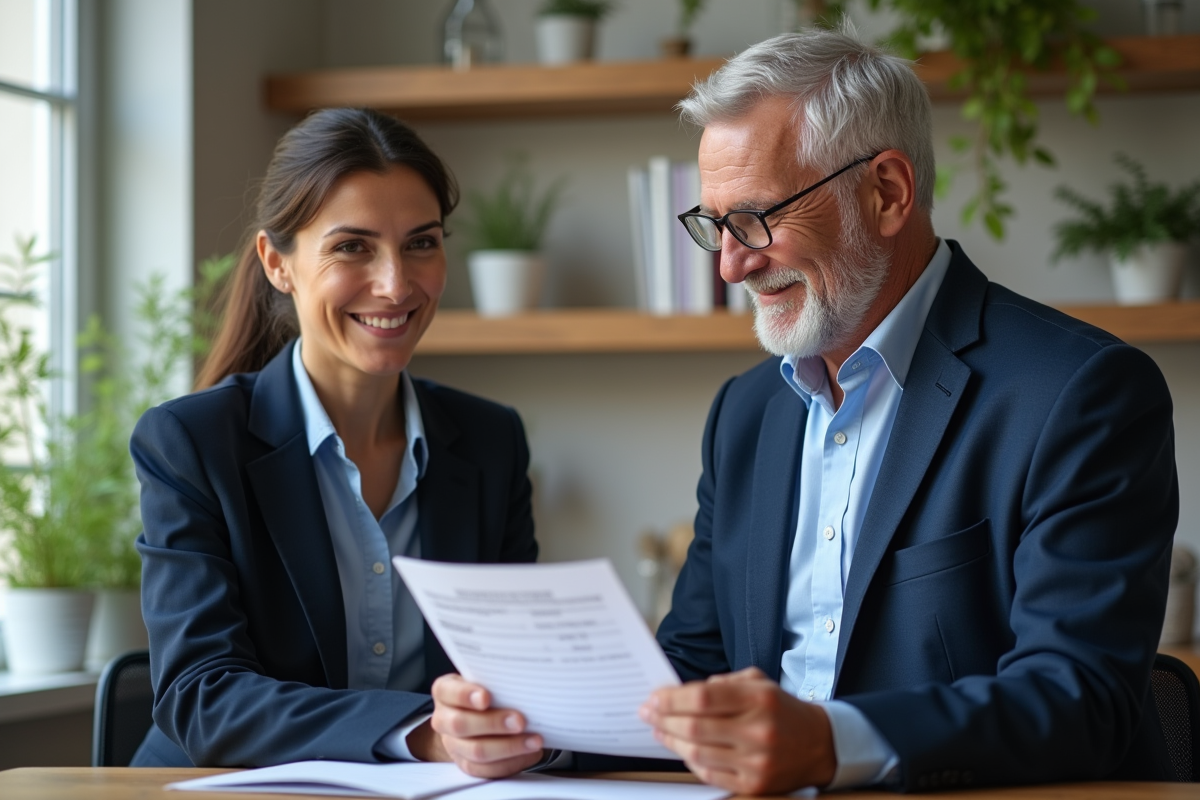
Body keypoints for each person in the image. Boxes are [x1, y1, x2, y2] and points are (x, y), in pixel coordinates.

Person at [426, 27, 1180, 794]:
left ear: (887, 192)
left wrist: (829, 743)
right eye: (714, 227)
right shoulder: (746, 413)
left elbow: (1078, 697)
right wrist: (528, 728)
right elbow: (690, 670)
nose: (730, 264)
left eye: (755, 220)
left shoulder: (1082, 392)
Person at [130, 108, 539, 767]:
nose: (396, 284)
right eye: (353, 247)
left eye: (421, 243)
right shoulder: (190, 443)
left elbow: (517, 671)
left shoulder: (491, 442)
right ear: (277, 262)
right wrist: (421, 733)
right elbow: (201, 695)